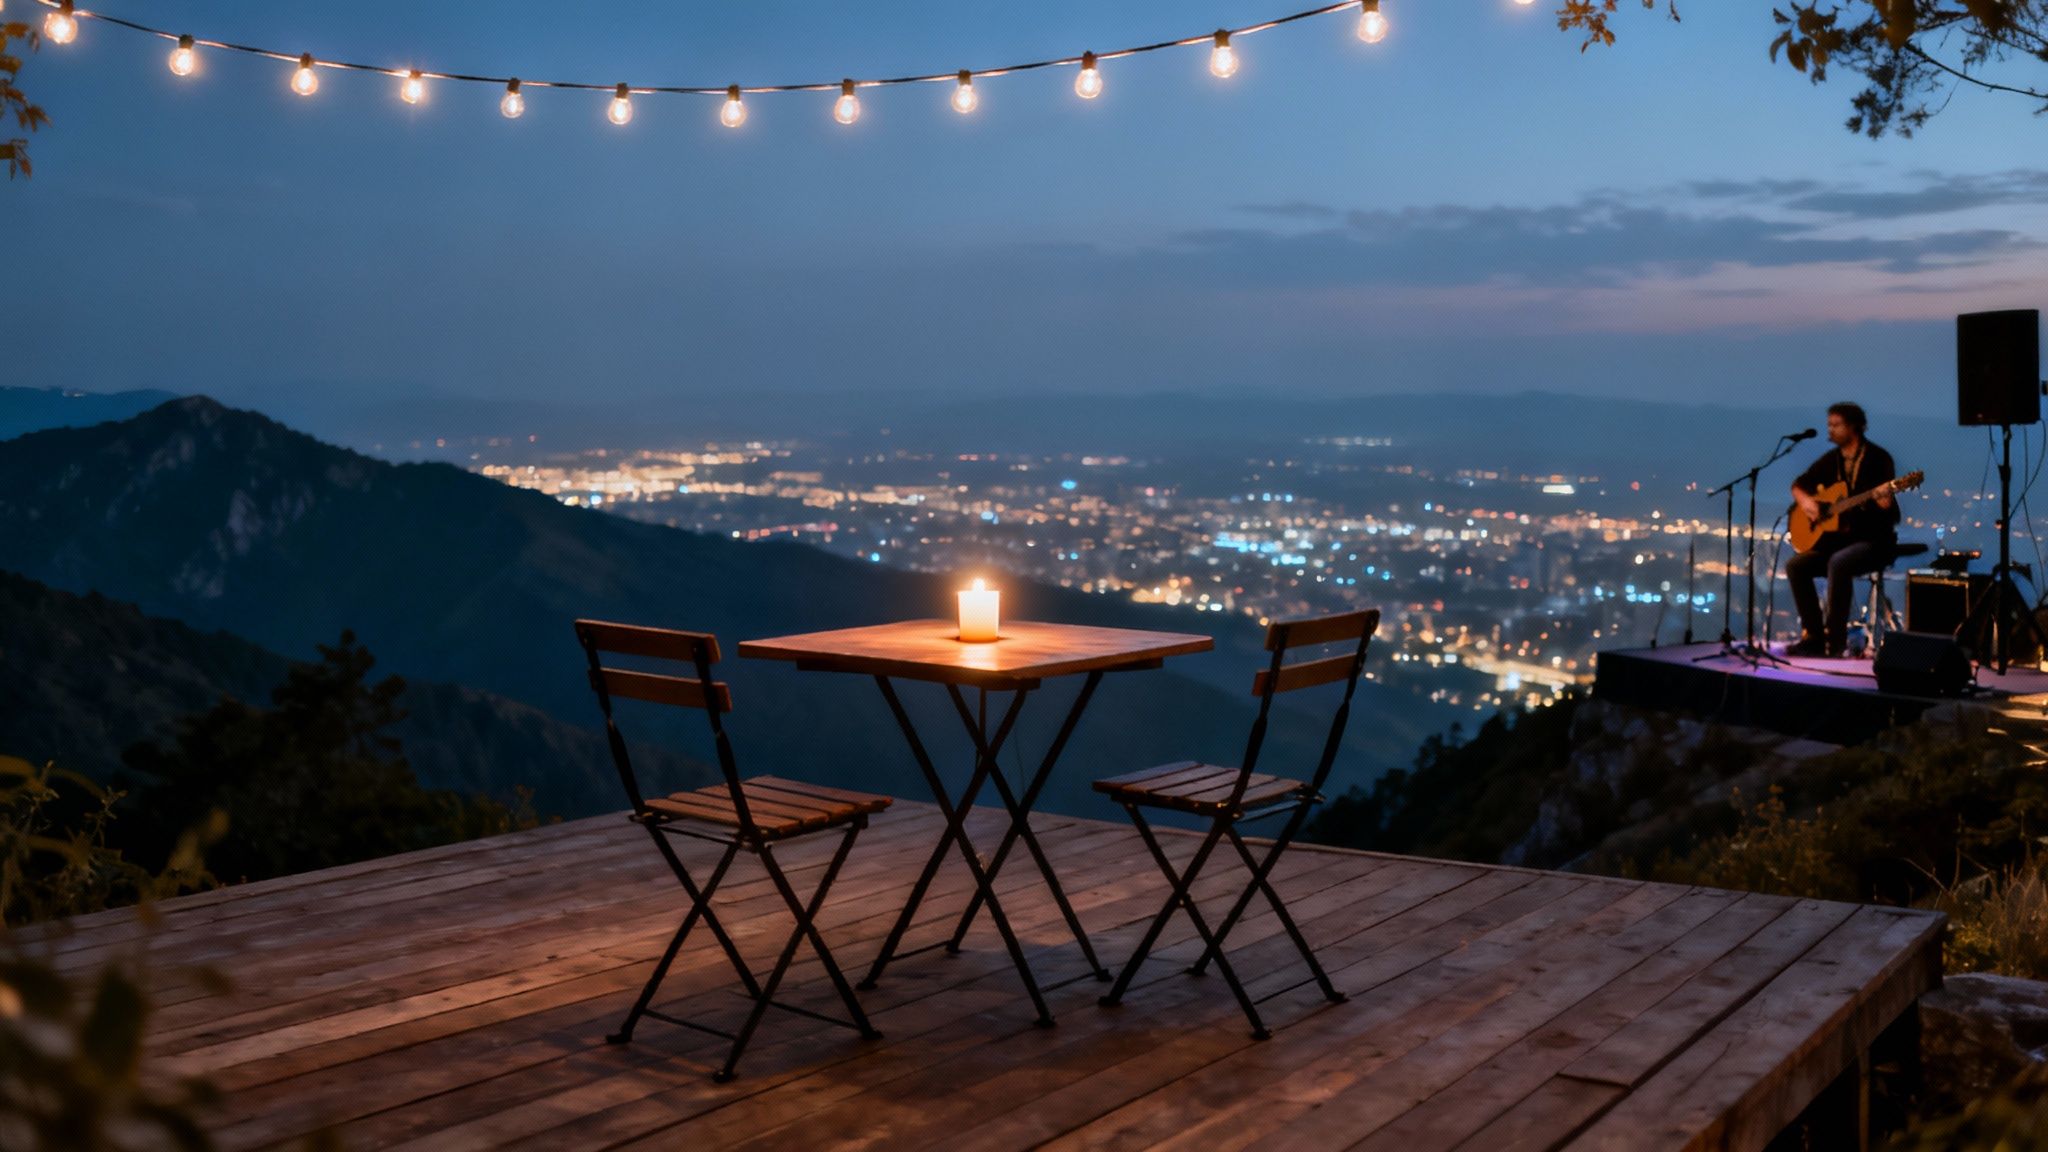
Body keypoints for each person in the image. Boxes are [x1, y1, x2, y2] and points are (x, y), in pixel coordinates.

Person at [1785, 402, 1899, 657]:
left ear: (1854, 427)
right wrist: (1807, 502)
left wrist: (1883, 501)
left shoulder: (1878, 459)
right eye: (1830, 425)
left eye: (1836, 425)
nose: (1831, 430)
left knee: (1839, 563)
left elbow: (1889, 512)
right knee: (1796, 565)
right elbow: (1799, 485)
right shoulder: (1831, 461)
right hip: (1837, 542)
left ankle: (1834, 642)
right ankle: (1813, 636)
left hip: (1873, 542)